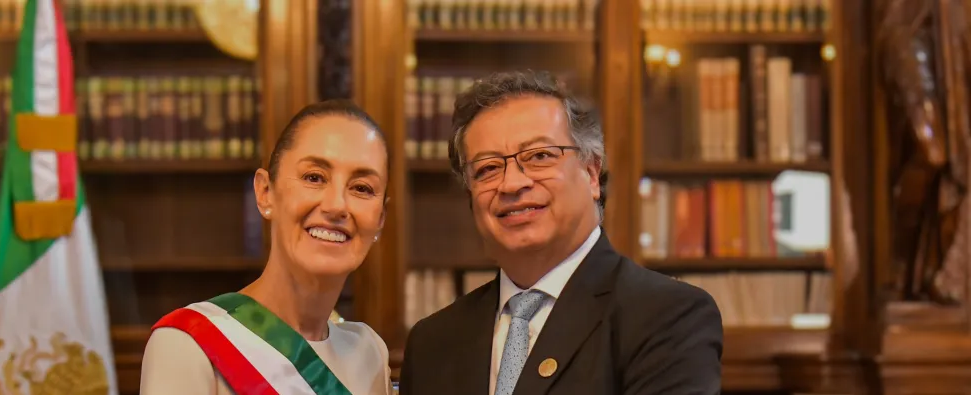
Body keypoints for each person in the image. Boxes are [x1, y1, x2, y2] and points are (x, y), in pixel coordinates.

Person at [398, 71, 723, 395]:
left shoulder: (666, 317)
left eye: (539, 156)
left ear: (592, 173)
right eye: (488, 169)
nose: (512, 184)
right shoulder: (433, 342)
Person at [141, 100, 394, 395]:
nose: (337, 205)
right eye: (314, 178)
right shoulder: (188, 344)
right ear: (265, 193)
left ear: (380, 219)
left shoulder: (369, 353)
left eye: (362, 188)